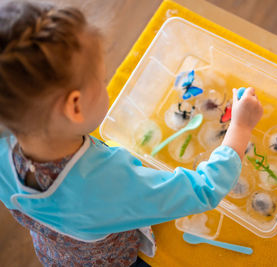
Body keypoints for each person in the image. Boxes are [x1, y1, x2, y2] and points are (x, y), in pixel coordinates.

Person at [0, 1, 263, 266]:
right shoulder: (105, 184)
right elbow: (203, 190)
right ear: (76, 106)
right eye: (102, 81)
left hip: (56, 254)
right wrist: (240, 127)